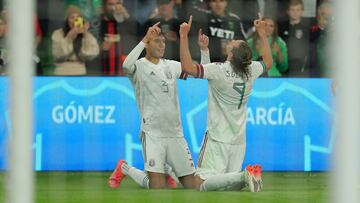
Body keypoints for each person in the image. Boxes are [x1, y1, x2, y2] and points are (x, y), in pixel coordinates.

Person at [107, 22, 210, 189]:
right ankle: (124, 168)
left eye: (163, 41)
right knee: (156, 185)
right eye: (157, 41)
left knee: (192, 185)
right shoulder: (139, 66)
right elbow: (125, 65)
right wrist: (144, 38)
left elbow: (199, 73)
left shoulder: (171, 65)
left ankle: (168, 170)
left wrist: (204, 51)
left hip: (175, 133)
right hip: (152, 132)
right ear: (147, 44)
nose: (162, 45)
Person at [179, 15, 272, 192]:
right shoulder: (251, 69)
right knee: (227, 188)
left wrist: (184, 37)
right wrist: (261, 33)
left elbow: (188, 68)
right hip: (238, 138)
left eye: (235, 42)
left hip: (217, 136)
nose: (234, 39)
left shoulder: (219, 70)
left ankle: (244, 175)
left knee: (199, 184)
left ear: (231, 53)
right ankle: (246, 177)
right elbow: (268, 60)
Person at [51, 5, 99, 75]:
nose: (75, 20)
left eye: (77, 18)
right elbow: (58, 54)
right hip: (62, 70)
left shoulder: (86, 35)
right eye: (72, 17)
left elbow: (91, 54)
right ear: (67, 20)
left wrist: (85, 34)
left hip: (80, 70)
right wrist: (69, 37)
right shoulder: (58, 33)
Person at [278, 0, 311, 77]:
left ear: (302, 12)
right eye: (292, 10)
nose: (295, 12)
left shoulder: (306, 29)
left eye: (298, 10)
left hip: (298, 66)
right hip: (283, 64)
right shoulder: (281, 27)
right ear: (288, 11)